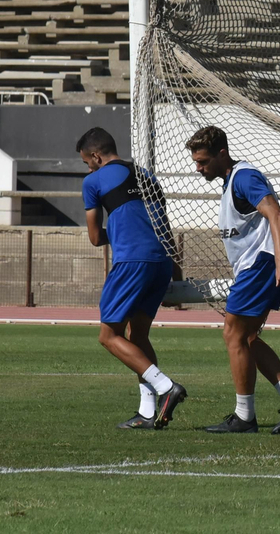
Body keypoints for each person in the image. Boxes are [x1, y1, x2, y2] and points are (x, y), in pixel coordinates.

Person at [187, 126, 280, 435]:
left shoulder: (244, 177)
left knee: (233, 334)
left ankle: (245, 416)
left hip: (263, 263)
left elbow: (276, 215)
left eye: (203, 162)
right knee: (247, 338)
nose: (198, 168)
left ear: (222, 154)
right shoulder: (232, 182)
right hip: (257, 265)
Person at [78, 127, 186, 430]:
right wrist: (173, 274)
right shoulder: (145, 174)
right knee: (137, 336)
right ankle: (147, 412)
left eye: (87, 162)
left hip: (132, 261)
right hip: (162, 262)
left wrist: (123, 231)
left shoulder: (93, 181)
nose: (87, 168)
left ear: (96, 157)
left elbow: (96, 237)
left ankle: (166, 387)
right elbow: (163, 224)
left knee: (108, 335)